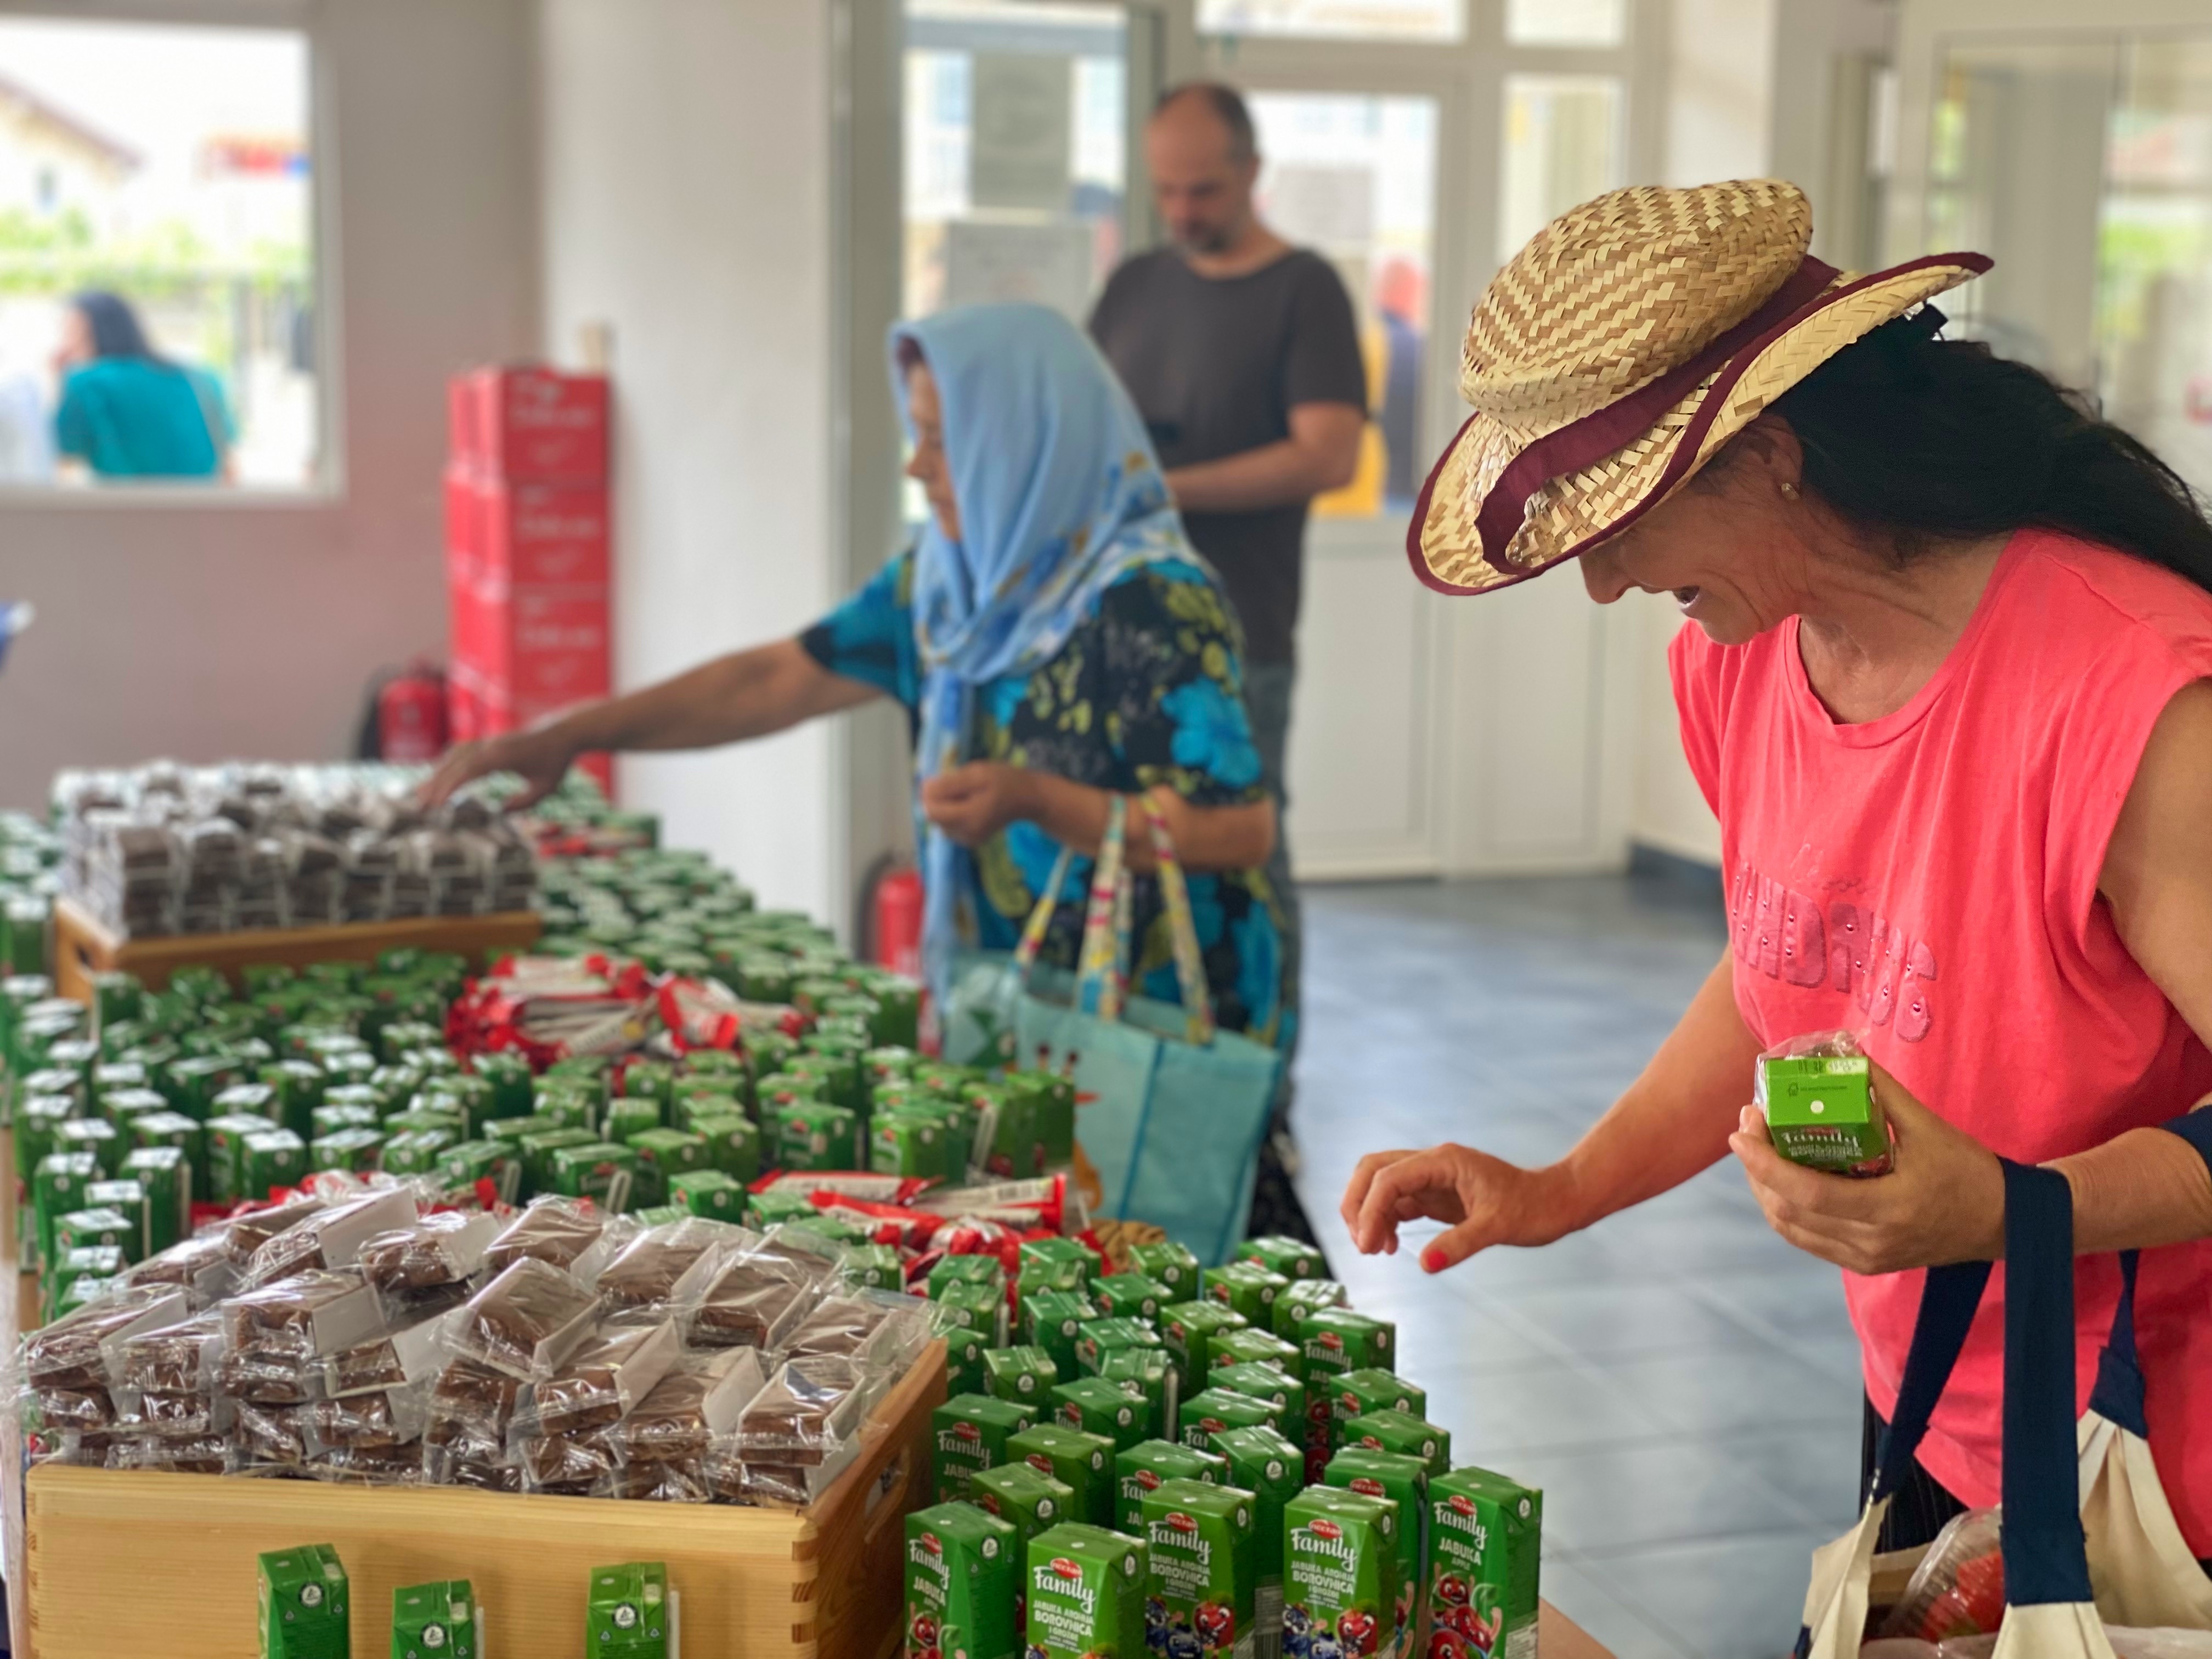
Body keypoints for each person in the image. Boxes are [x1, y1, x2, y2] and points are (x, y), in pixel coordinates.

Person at [1344, 180, 2212, 1560]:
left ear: (1769, 456)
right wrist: (1561, 1190)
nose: (1602, 584)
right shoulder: (1739, 661)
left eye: (1618, 524)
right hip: (1937, 1403)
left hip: (2159, 1462)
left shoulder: (2135, 696)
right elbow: (1787, 961)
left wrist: (2012, 1210)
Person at [425, 298, 1292, 1068]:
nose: (919, 468)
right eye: (919, 436)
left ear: (1025, 444)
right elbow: (773, 679)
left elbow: (1238, 829)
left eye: (944, 443)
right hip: (1016, 1009)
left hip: (1159, 1031)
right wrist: (573, 734)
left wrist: (1035, 800)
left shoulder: (1151, 599)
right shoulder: (944, 584)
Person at [1090, 81, 1367, 1242]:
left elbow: (1327, 454)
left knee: (1249, 862)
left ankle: (1262, 1093)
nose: (1184, 209)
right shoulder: (1134, 284)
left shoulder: (1304, 290)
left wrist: (1166, 489)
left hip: (1238, 638)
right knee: (1130, 853)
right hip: (1117, 641)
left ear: (1251, 173)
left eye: (1203, 188)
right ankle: (1139, 1068)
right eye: (1166, 189)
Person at [52, 291, 233, 482]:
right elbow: (228, 467)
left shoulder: (85, 382)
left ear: (88, 334)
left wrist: (59, 384)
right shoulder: (204, 380)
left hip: (123, 500)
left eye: (70, 333)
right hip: (202, 498)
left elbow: (61, 456)